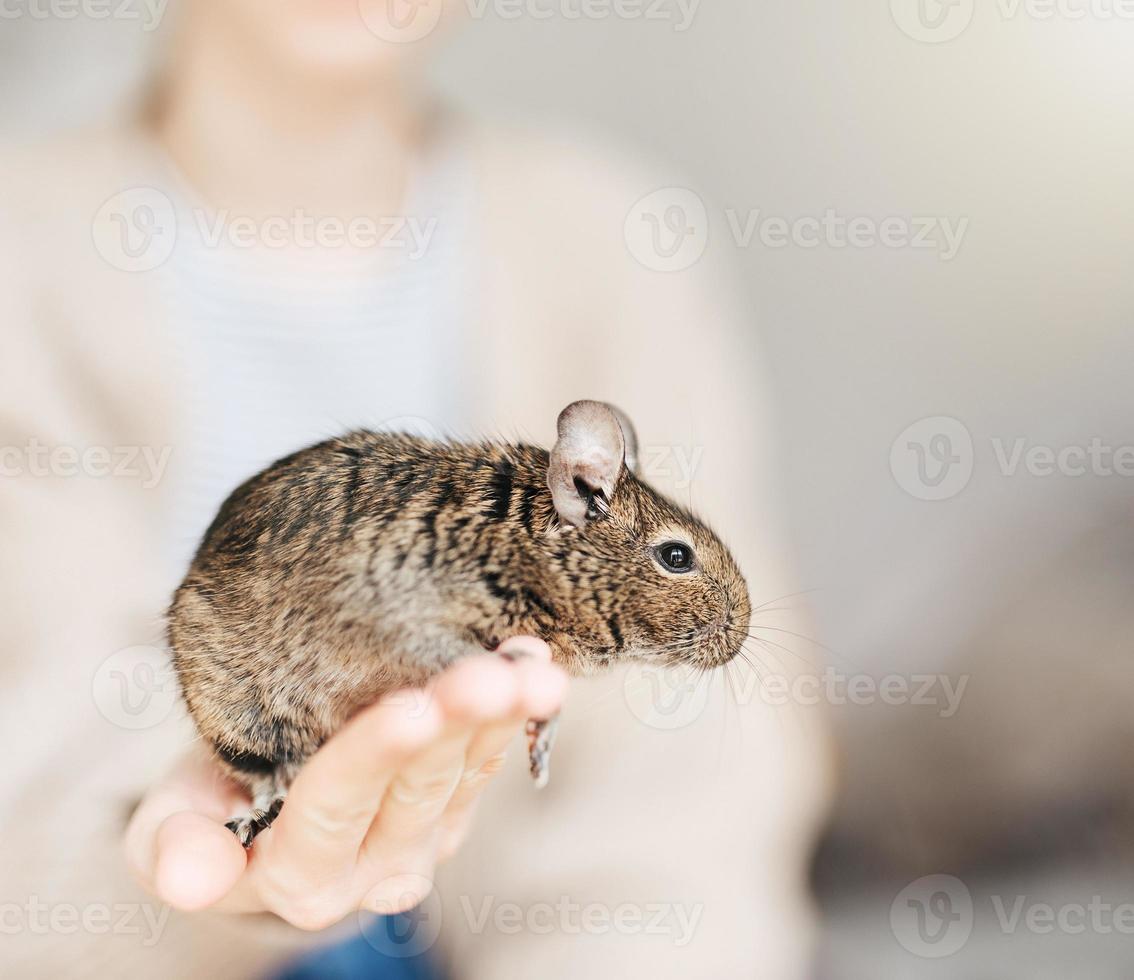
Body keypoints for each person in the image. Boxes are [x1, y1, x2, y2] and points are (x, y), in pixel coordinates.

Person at [0, 1, 830, 975]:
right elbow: (36, 755)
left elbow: (696, 807)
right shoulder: (22, 253)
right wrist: (205, 852)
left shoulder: (616, 237)